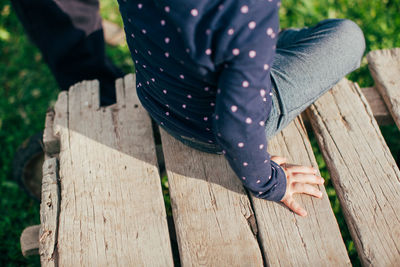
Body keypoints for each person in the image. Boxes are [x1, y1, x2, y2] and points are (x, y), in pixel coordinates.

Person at [13, 0, 366, 217]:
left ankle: (249, 58)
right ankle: (255, 58)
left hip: (155, 94)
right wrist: (269, 182)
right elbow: (234, 126)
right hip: (205, 129)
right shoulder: (250, 10)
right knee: (348, 36)